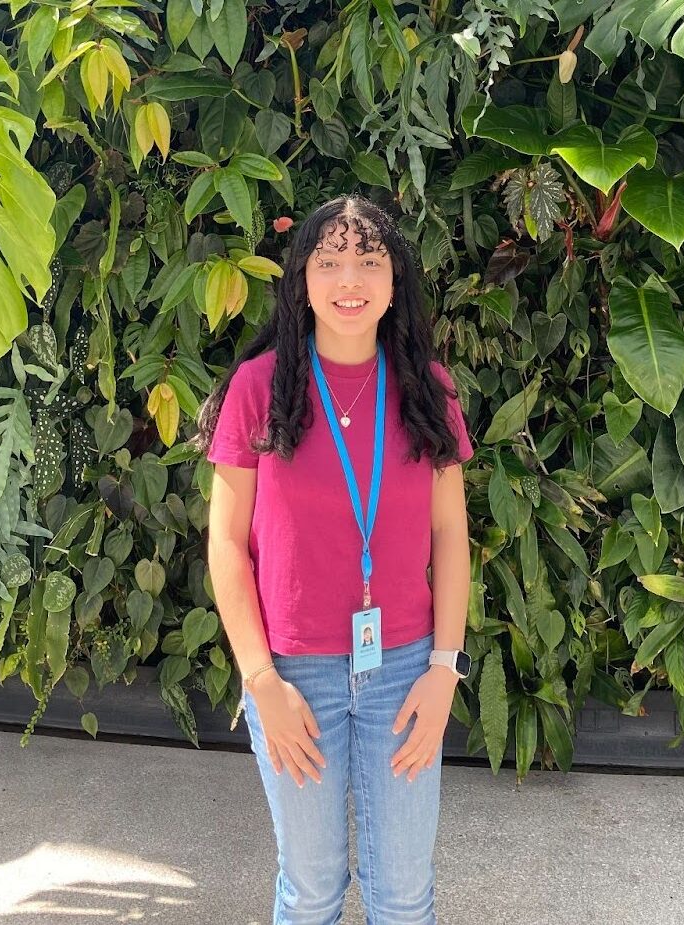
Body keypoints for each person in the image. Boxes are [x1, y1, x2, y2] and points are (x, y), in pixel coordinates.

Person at [194, 193, 474, 924]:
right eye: (331, 261)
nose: (350, 279)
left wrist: (445, 669)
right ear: (301, 281)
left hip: (406, 671)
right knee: (312, 885)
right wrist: (260, 681)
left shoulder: (429, 391)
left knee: (405, 891)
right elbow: (225, 543)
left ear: (395, 281)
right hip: (293, 676)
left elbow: (451, 537)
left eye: (369, 261)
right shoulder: (260, 389)